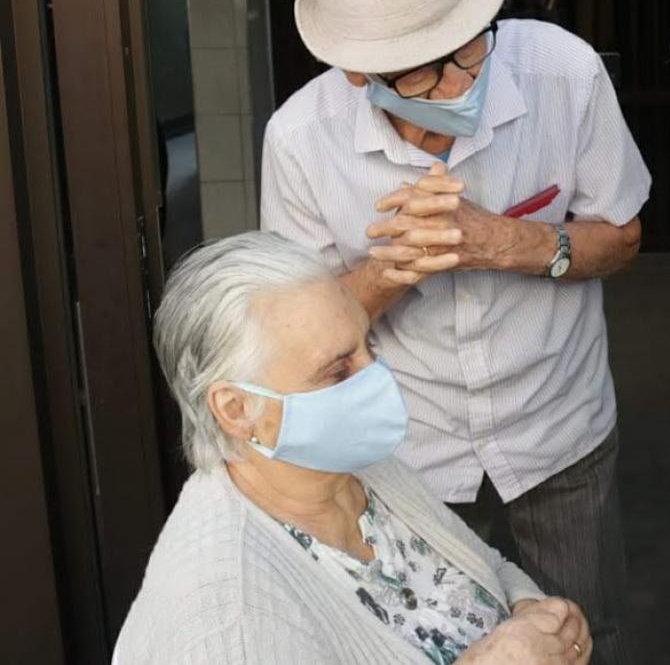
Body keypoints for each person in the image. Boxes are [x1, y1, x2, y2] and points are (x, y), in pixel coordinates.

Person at [260, 0, 650, 663]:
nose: (457, 85)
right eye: (419, 76)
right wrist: (392, 270)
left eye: (469, 51)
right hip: (409, 455)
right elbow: (297, 339)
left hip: (560, 427)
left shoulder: (564, 77)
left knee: (587, 633)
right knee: (433, 644)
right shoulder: (301, 138)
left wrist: (511, 242)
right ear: (354, 71)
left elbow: (623, 236)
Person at [114, 232, 593, 664]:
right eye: (338, 371)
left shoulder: (356, 469)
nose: (377, 378)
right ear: (237, 409)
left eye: (368, 344)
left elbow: (483, 567)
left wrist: (532, 615)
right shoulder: (225, 618)